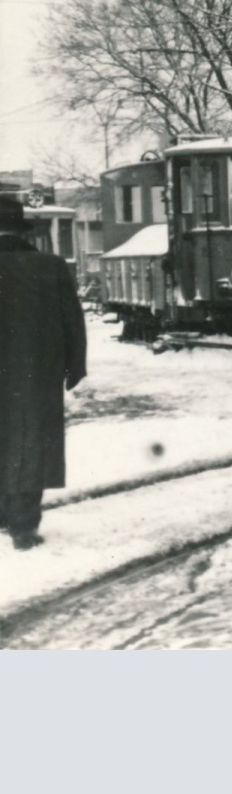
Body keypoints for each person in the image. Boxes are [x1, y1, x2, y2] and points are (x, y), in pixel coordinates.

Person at [0, 194, 88, 550]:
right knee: (30, 440)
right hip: (36, 374)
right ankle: (23, 526)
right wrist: (75, 366)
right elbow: (73, 320)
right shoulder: (51, 266)